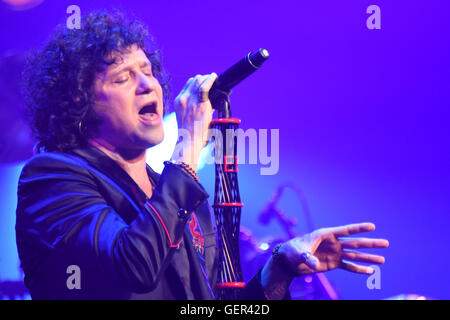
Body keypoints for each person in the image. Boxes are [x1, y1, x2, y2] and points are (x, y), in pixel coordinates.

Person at [16, 10, 389, 300]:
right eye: (122, 77)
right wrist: (188, 144)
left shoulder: (181, 194)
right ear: (80, 104)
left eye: (147, 70)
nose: (149, 84)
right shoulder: (51, 178)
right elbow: (133, 265)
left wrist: (281, 266)